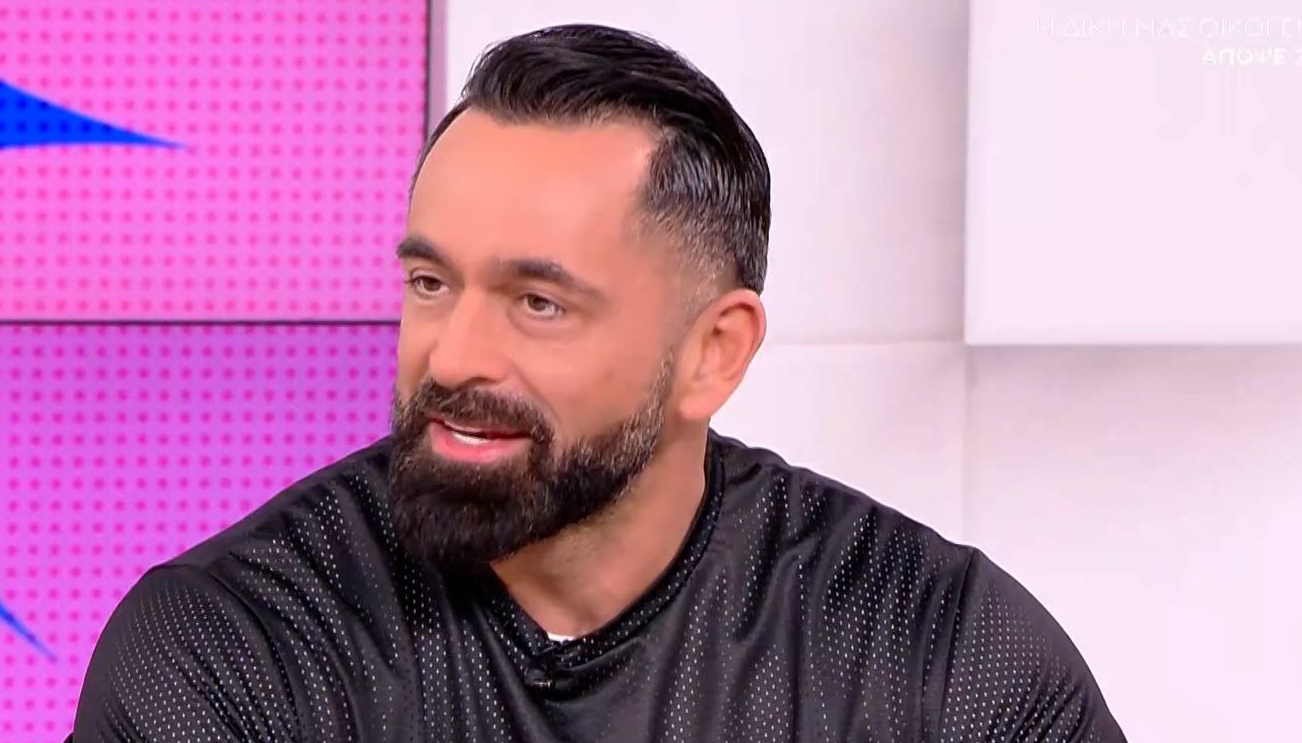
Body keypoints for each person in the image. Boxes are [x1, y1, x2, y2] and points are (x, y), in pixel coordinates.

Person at [71, 23, 1127, 742]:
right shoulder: (231, 648)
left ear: (714, 352)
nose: (453, 356)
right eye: (432, 283)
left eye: (538, 302)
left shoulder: (935, 652)